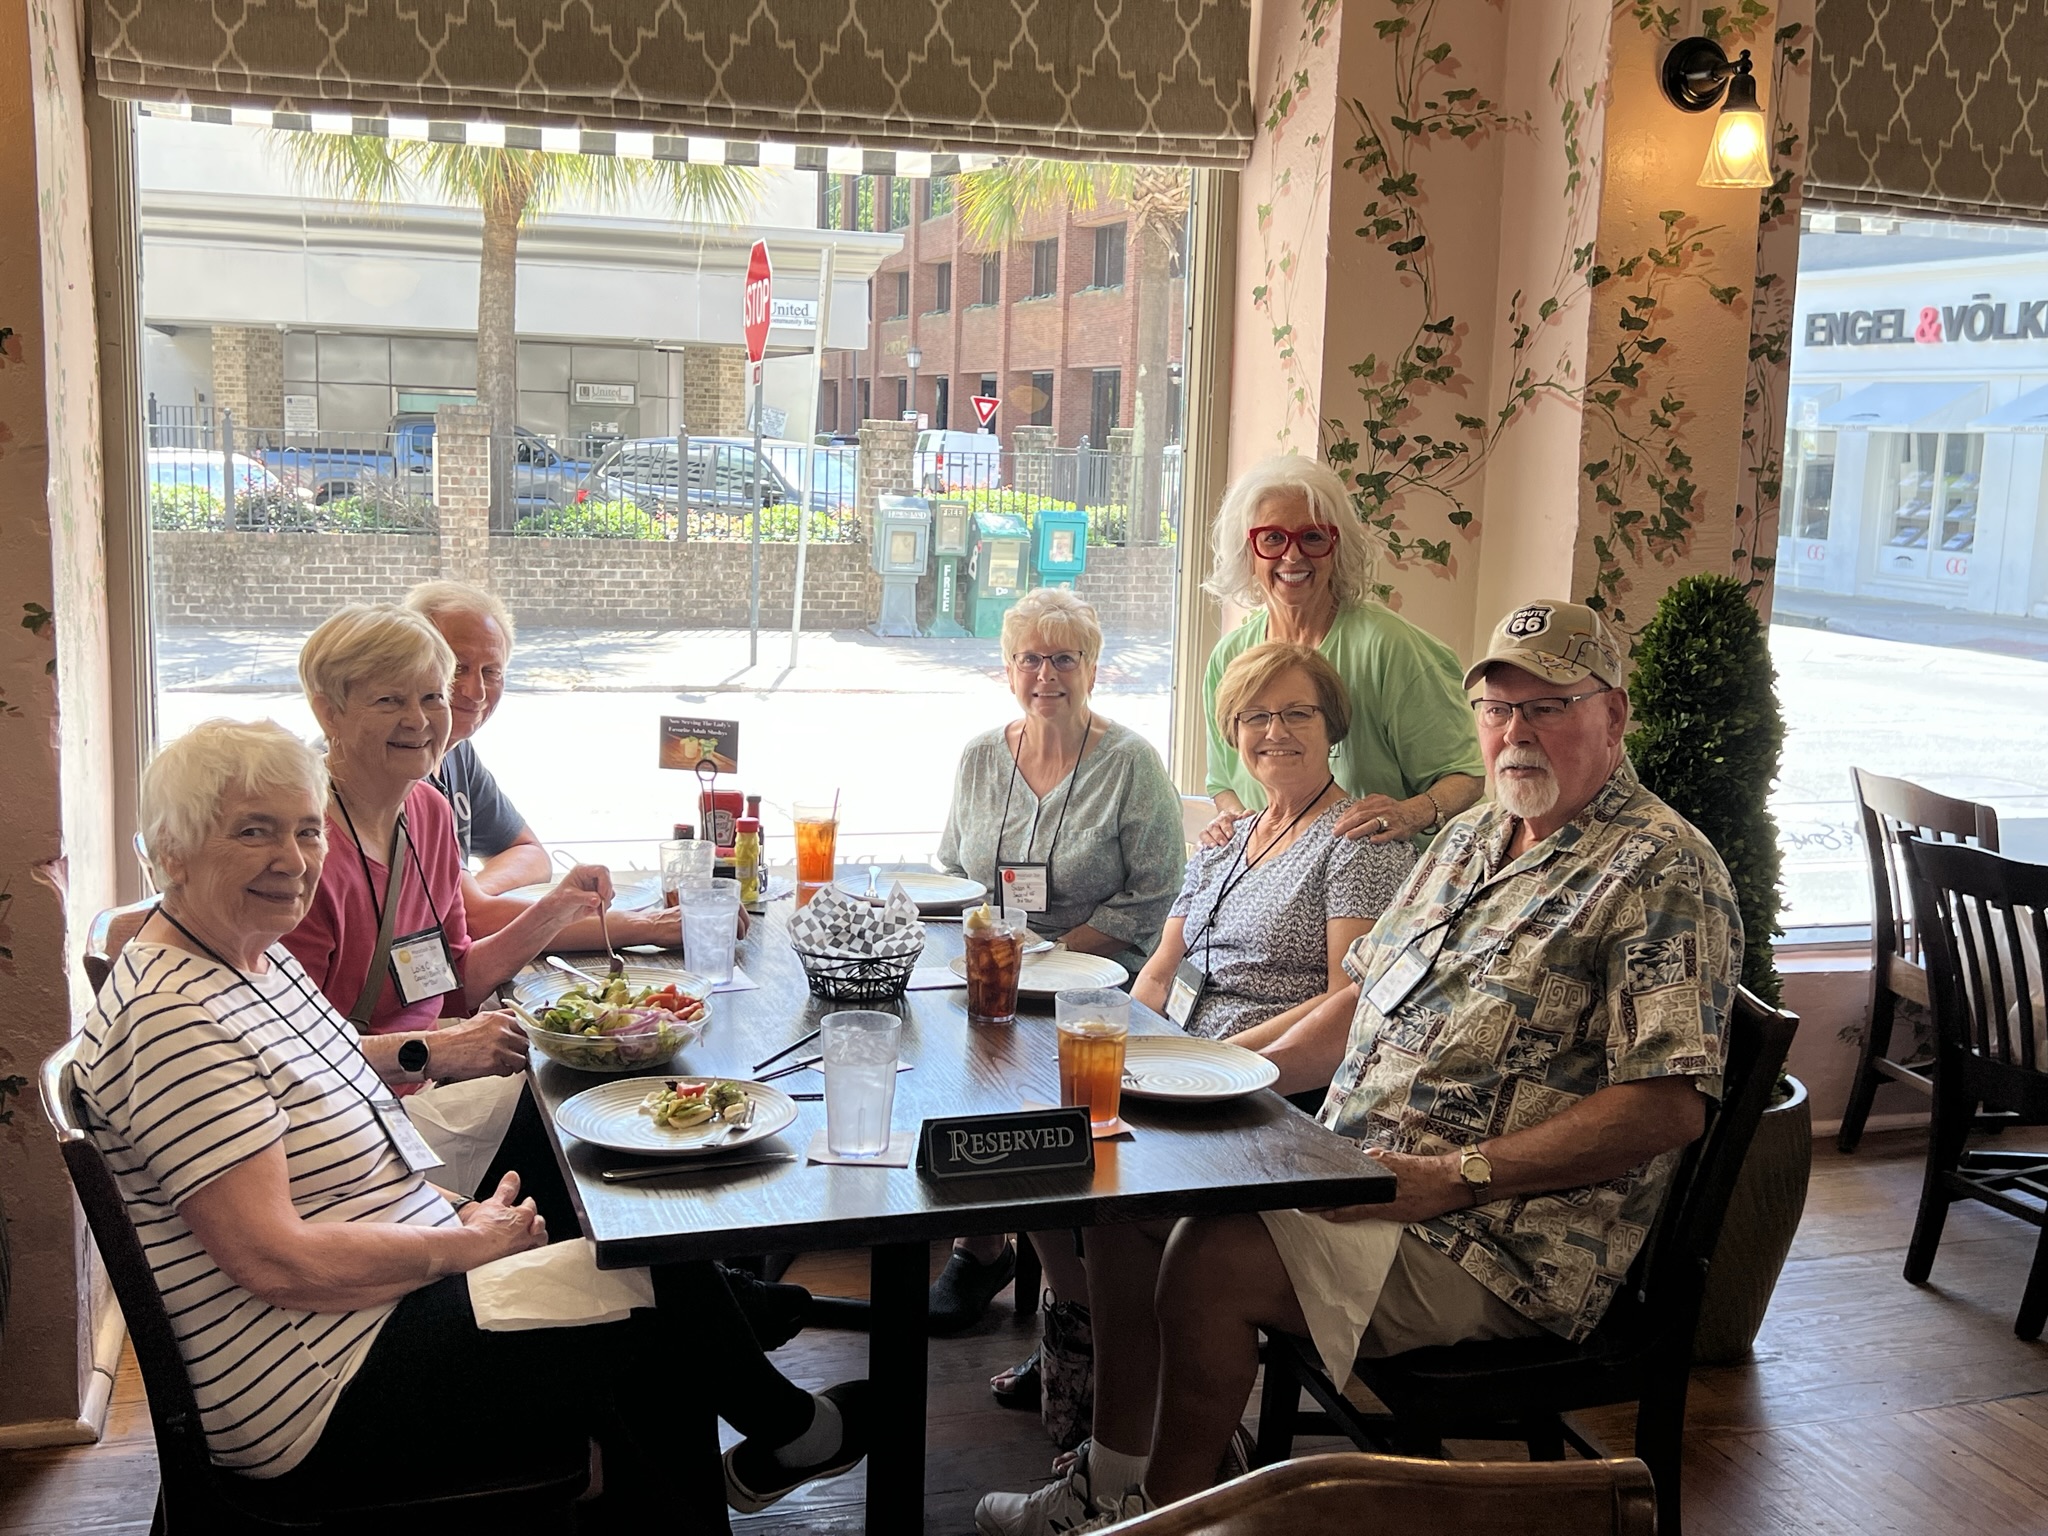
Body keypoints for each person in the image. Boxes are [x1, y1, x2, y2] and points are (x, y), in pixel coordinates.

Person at [976, 599, 1742, 1534]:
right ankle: (1113, 1482)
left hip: (1495, 1233)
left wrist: (1454, 1176)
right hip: (1350, 1162)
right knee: (1128, 1202)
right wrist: (1209, 1073)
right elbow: (1358, 1003)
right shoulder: (1471, 836)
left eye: (1548, 708)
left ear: (1613, 714)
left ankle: (1170, 1519)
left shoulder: (1662, 869)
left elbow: (1666, 1107)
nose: (1516, 732)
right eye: (1498, 709)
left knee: (1212, 1260)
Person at [76, 719, 867, 1513]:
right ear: (170, 850)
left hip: (359, 1313)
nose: (293, 859)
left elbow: (348, 1115)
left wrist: (456, 1213)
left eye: (307, 830)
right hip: (319, 1385)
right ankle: (785, 1421)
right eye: (254, 832)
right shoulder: (176, 1020)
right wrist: (459, 1247)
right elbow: (275, 1262)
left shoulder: (250, 954)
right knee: (649, 1274)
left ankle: (736, 1382)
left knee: (623, 1223)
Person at [931, 587, 1185, 1336]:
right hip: (994, 972)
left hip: (1096, 987)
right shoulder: (981, 756)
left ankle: (1057, 1290)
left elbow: (1154, 896)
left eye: (1065, 659)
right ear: (1008, 669)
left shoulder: (1131, 763)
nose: (1046, 675)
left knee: (1020, 1082)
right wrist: (991, 954)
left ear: (1093, 669)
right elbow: (954, 874)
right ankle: (987, 1245)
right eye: (1029, 659)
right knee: (942, 1055)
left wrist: (1048, 956)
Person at [1134, 642, 1415, 1047]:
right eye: (1255, 716)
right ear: (1234, 732)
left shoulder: (1360, 841)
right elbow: (1159, 974)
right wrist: (1130, 1049)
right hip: (1173, 1054)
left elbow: (1346, 1003)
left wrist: (1217, 1062)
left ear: (1331, 726)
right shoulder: (1224, 840)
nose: (1275, 731)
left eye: (1298, 713)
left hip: (1263, 1070)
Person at [402, 579, 709, 950]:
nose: (476, 691)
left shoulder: (456, 753)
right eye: (458, 668)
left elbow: (530, 854)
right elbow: (476, 921)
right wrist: (648, 926)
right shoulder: (401, 769)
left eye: (491, 671)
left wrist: (465, 891)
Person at [1200, 454, 1484, 849]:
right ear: (1248, 552)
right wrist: (1234, 822)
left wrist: (1411, 813)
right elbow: (1223, 782)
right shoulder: (1229, 658)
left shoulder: (1391, 648)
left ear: (1338, 547)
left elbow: (1466, 777)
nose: (1292, 556)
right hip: (1271, 870)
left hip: (1378, 868)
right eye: (1273, 538)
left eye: (1313, 537)